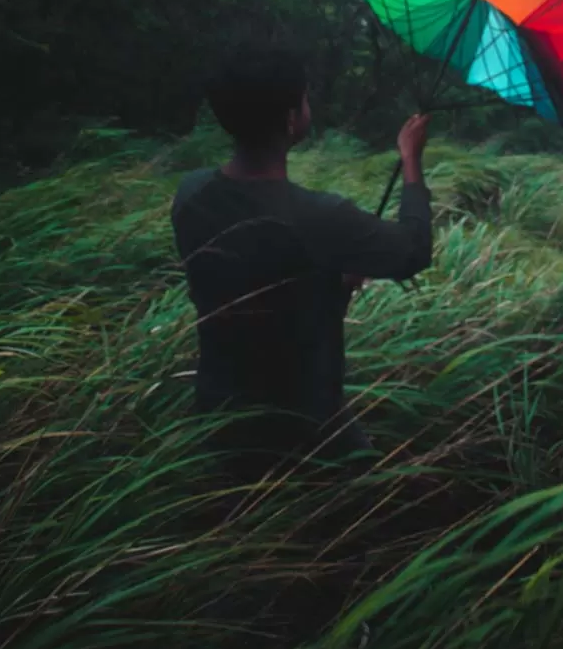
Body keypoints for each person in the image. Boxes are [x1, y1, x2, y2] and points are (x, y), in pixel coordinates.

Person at [171, 42, 432, 480]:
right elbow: (413, 251)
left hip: (221, 413)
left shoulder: (191, 194)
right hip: (308, 424)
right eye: (305, 98)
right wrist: (411, 159)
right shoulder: (320, 217)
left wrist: (328, 281)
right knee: (353, 516)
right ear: (292, 118)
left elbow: (251, 275)